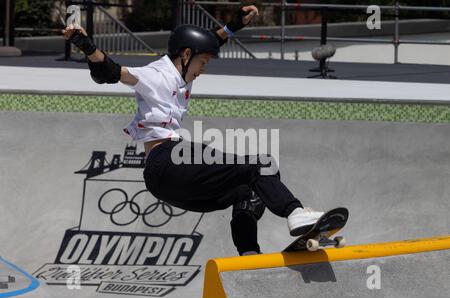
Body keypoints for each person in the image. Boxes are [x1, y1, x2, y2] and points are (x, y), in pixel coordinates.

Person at [63, 5, 324, 256]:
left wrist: (236, 24)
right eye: (203, 63)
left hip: (168, 186)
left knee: (249, 190)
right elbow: (111, 72)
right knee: (261, 165)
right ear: (186, 55)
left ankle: (248, 252)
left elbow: (212, 40)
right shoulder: (157, 74)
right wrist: (86, 46)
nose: (203, 70)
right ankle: (295, 213)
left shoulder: (183, 70)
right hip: (167, 160)